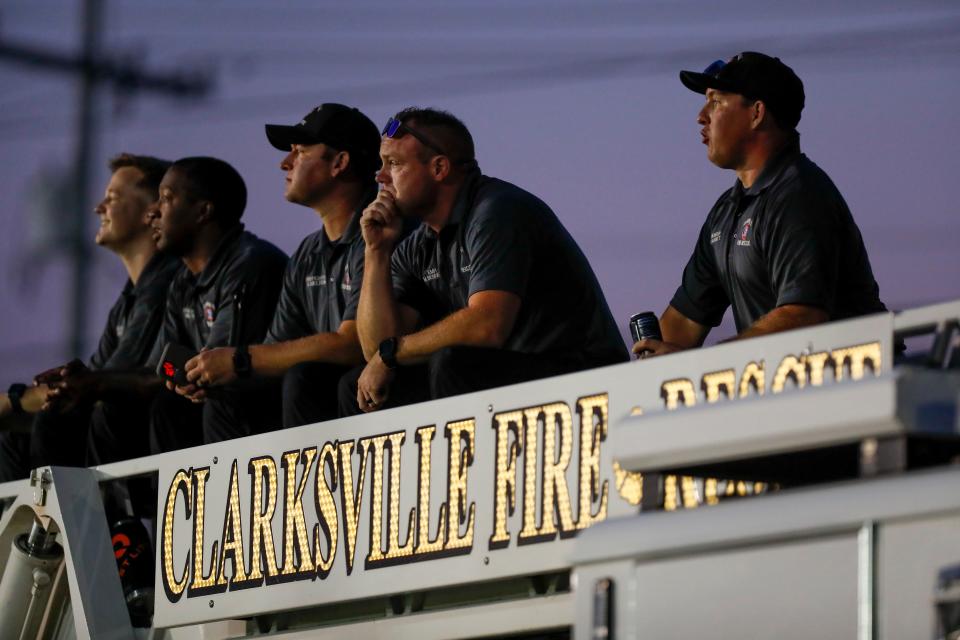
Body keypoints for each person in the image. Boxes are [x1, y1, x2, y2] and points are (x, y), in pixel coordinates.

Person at [340, 107, 627, 415]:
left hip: (585, 378)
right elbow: (376, 349)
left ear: (439, 168)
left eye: (393, 163)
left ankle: (465, 464)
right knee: (356, 385)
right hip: (513, 376)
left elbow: (487, 326)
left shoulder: (498, 211)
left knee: (452, 363)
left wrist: (391, 352)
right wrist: (376, 252)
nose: (380, 175)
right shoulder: (415, 245)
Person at [633, 52, 889, 358]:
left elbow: (802, 317)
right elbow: (683, 323)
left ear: (756, 113)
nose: (701, 116)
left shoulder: (799, 195)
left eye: (715, 101)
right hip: (792, 395)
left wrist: (707, 365)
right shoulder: (725, 214)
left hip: (859, 393)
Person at [182, 104, 380, 429]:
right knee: (226, 393)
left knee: (306, 378)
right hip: (335, 404)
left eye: (300, 152)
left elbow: (354, 343)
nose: (284, 163)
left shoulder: (385, 231)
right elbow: (277, 350)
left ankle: (313, 480)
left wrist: (240, 359)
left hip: (385, 403)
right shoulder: (308, 253)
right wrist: (214, 371)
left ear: (340, 163)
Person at [0, 153, 179, 481]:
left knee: (54, 418)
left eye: (112, 198)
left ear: (151, 212)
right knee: (14, 434)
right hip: (122, 435)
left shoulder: (165, 283)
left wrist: (14, 399)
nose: (99, 208)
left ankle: (61, 526)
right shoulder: (130, 297)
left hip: (147, 438)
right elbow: (92, 377)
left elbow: (100, 383)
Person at [127, 157, 288, 455]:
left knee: (215, 398)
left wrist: (189, 378)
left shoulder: (251, 264)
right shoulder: (182, 280)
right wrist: (91, 383)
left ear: (203, 211)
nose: (152, 212)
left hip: (268, 419)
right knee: (156, 404)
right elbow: (162, 367)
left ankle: (224, 501)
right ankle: (159, 500)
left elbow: (218, 366)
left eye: (166, 199)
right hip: (220, 407)